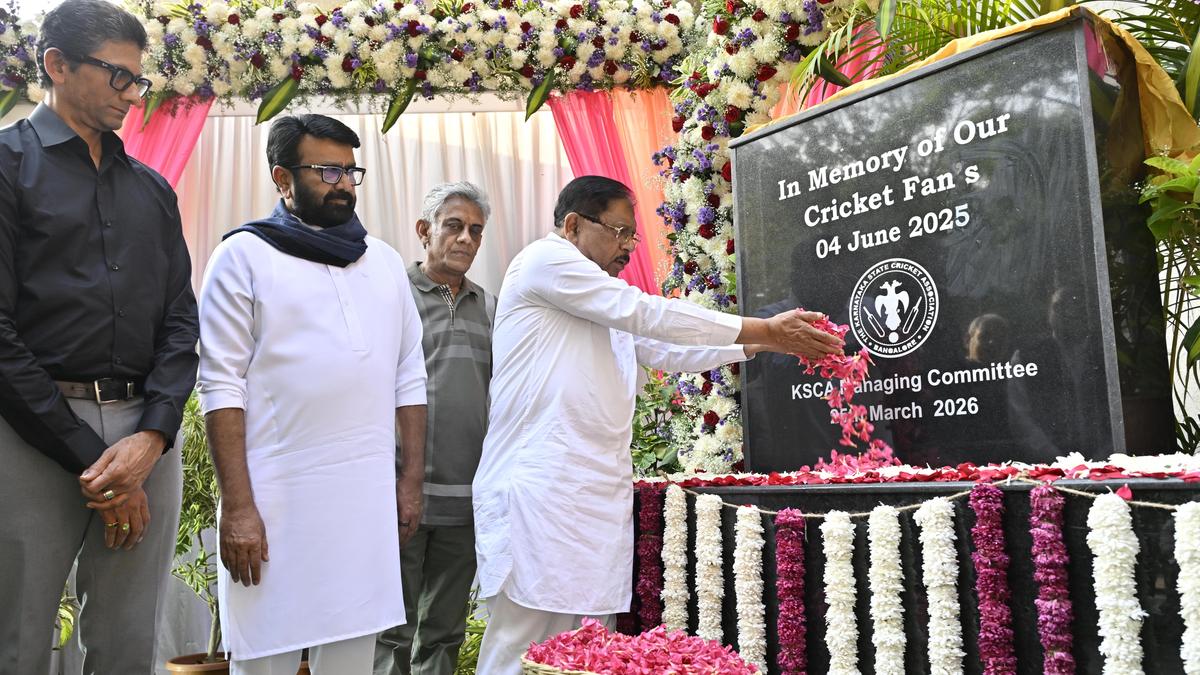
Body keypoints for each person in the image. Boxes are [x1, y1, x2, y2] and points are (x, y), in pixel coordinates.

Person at [471, 176, 843, 673]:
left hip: (594, 496)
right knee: (523, 648)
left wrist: (769, 342)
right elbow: (646, 313)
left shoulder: (601, 296)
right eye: (618, 232)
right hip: (540, 491)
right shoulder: (544, 261)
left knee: (587, 649)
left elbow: (667, 348)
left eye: (633, 236)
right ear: (573, 225)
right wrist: (763, 327)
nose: (627, 247)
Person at [0, 1, 199, 672]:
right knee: (17, 638)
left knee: (126, 642)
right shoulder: (6, 167)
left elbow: (180, 321)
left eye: (138, 80)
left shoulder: (152, 190)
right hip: (30, 431)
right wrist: (93, 457)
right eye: (118, 76)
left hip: (147, 434)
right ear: (56, 65)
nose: (132, 95)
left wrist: (153, 435)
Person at [197, 114, 428, 674]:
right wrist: (239, 508)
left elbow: (409, 377)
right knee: (265, 656)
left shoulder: (386, 262)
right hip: (275, 503)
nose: (343, 184)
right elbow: (220, 385)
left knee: (350, 658)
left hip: (363, 502)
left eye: (351, 171)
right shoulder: (243, 257)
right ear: (282, 178)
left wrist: (411, 482)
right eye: (327, 170)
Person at [375, 182, 495, 675]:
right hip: (401, 494)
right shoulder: (390, 296)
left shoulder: (489, 306)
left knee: (445, 632)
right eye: (454, 226)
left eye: (476, 230)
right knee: (391, 631)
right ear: (424, 230)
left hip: (466, 499)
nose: (466, 238)